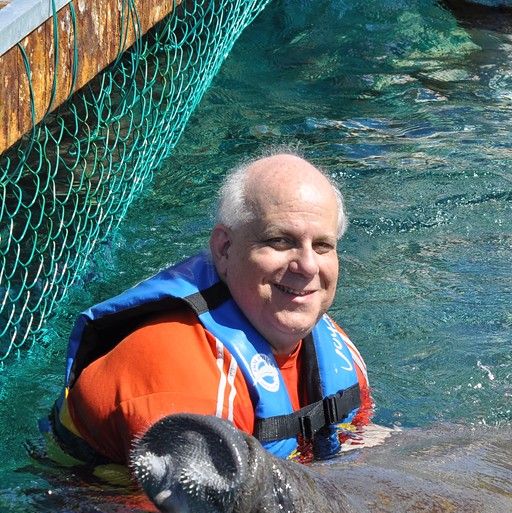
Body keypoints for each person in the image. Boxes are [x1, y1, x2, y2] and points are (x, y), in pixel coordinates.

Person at [51, 152, 374, 465]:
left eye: (322, 246)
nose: (306, 266)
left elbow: (362, 454)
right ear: (224, 248)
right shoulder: (182, 381)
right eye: (280, 241)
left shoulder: (335, 350)